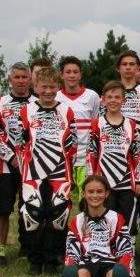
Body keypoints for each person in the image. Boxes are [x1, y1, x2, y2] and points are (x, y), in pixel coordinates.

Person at [15, 67, 77, 275]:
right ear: (36, 87)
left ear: (58, 87)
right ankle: (35, 259)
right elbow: (18, 141)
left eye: (52, 87)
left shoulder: (67, 111)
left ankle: (52, 260)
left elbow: (73, 144)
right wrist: (25, 165)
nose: (48, 91)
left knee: (58, 216)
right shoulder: (26, 110)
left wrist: (69, 166)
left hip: (60, 172)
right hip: (33, 172)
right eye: (44, 87)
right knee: (32, 216)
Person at [61, 175, 135, 277]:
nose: (95, 195)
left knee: (114, 275)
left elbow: (125, 248)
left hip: (110, 263)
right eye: (91, 192)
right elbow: (71, 249)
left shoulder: (116, 218)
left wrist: (129, 274)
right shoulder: (76, 221)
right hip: (86, 262)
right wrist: (70, 266)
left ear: (107, 194)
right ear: (83, 194)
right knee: (81, 275)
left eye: (99, 192)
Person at [0, 62, 33, 266]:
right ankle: (0, 251)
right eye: (17, 77)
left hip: (32, 165)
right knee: (3, 209)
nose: (21, 81)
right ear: (10, 79)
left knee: (29, 208)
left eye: (25, 77)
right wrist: (13, 158)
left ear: (30, 79)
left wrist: (26, 159)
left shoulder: (38, 103)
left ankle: (26, 247)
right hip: (5, 165)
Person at [86, 80, 140, 232]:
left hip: (127, 182)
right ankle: (106, 249)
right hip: (104, 182)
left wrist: (139, 180)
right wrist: (90, 179)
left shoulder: (132, 125)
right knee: (104, 218)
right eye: (109, 97)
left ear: (123, 100)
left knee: (128, 219)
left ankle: (127, 251)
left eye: (117, 97)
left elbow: (138, 154)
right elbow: (91, 153)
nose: (113, 100)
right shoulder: (96, 124)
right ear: (103, 99)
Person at [55, 56, 99, 192]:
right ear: (61, 75)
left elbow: (96, 125)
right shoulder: (55, 97)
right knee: (61, 198)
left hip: (86, 157)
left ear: (80, 75)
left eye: (75, 72)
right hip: (62, 157)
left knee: (86, 199)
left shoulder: (92, 96)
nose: (72, 75)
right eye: (68, 72)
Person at [116, 50, 140, 127]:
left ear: (137, 68)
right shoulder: (109, 93)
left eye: (132, 64)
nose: (128, 67)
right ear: (118, 68)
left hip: (139, 138)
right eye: (124, 64)